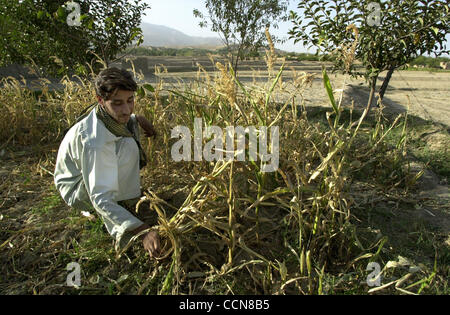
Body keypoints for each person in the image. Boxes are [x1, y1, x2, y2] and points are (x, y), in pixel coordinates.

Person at [54, 67, 160, 258]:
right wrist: (142, 230)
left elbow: (124, 119)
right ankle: (115, 209)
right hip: (77, 188)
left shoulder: (107, 117)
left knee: (127, 142)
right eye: (117, 103)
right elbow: (100, 197)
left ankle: (124, 200)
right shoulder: (95, 143)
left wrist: (138, 119)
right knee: (127, 146)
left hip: (87, 175)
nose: (126, 110)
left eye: (130, 101)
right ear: (100, 100)